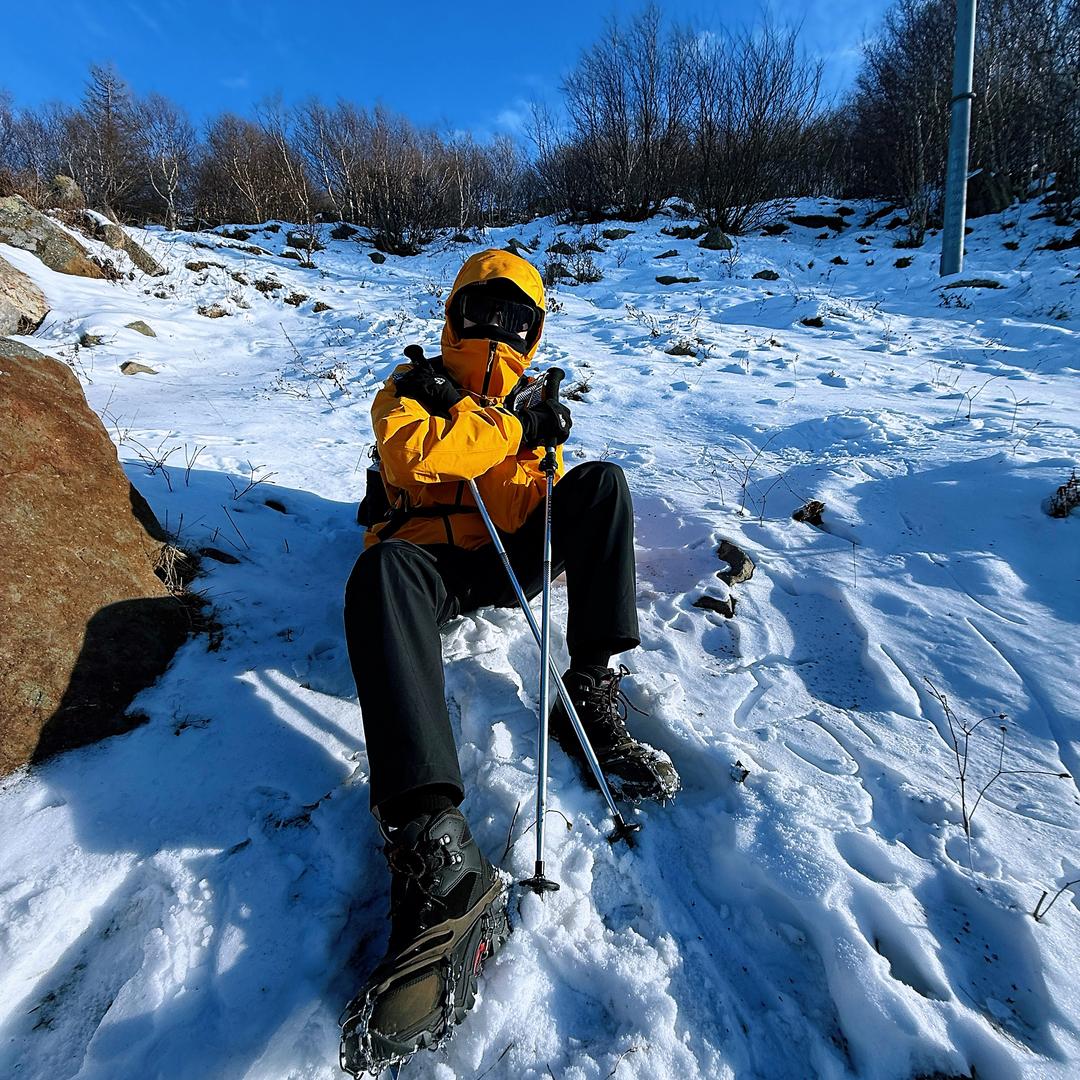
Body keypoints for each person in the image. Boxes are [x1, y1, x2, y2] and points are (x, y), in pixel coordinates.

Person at [339, 249, 679, 1075]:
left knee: (602, 487)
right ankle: (433, 842)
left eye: (517, 316)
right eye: (485, 308)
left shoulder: (536, 401)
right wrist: (512, 428)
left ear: (534, 328)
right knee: (377, 573)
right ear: (456, 313)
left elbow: (532, 498)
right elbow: (412, 462)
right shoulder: (410, 387)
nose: (500, 326)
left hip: (507, 556)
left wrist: (541, 453)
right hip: (425, 560)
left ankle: (588, 688)